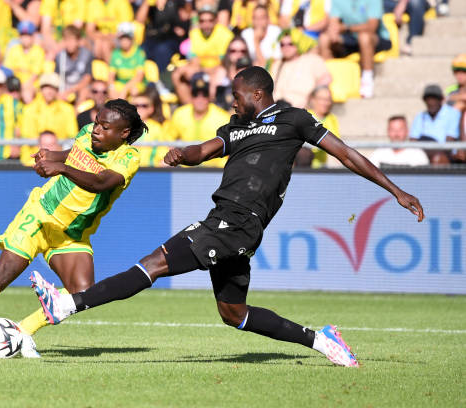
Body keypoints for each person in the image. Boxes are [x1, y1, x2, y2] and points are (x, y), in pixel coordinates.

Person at [30, 66, 425, 367]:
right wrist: (182, 156)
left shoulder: (295, 120)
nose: (232, 102)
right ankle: (321, 339)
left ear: (257, 93)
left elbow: (347, 154)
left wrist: (396, 191)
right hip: (229, 221)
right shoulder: (236, 128)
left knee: (154, 264)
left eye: (236, 96)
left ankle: (67, 305)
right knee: (234, 314)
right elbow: (203, 151)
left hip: (238, 221)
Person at [0, 99, 148, 359]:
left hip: (71, 235)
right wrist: (51, 155)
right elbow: (72, 154)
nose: (96, 130)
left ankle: (22, 332)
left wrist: (62, 168)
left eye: (104, 127)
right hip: (40, 215)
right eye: (96, 123)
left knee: (81, 292)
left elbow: (102, 182)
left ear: (123, 133)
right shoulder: (86, 133)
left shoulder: (128, 157)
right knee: (1, 275)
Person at [318, 0, 392, 98]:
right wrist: (333, 33)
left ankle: (367, 80)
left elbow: (372, 27)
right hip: (351, 38)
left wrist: (346, 28)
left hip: (376, 38)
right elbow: (334, 23)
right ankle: (330, 79)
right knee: (324, 39)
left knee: (364, 37)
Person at [171, 4, 233, 104]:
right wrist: (200, 70)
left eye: (210, 20)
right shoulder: (195, 33)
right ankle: (189, 106)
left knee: (216, 75)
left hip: (220, 70)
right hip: (201, 69)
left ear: (216, 20)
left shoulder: (225, 34)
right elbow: (194, 61)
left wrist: (203, 70)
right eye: (202, 21)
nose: (206, 25)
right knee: (177, 74)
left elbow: (223, 63)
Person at [166, 72, 230, 167]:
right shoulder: (180, 114)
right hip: (185, 168)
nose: (200, 99)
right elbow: (168, 140)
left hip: (215, 169)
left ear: (209, 96)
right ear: (191, 95)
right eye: (195, 94)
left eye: (204, 94)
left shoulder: (223, 117)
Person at [20, 72, 78, 165]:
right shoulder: (29, 109)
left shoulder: (67, 109)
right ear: (41, 89)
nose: (49, 91)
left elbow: (72, 136)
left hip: (59, 160)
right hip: (33, 160)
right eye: (46, 87)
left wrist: (55, 151)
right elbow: (27, 136)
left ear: (57, 90)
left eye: (53, 88)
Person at [270, 28, 331, 109]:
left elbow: (326, 79)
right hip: (277, 109)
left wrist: (310, 99)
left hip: (302, 109)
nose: (286, 47)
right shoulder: (277, 64)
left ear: (298, 43)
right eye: (282, 44)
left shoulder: (312, 59)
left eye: (290, 44)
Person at [410, 84, 461, 165]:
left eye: (434, 99)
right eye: (428, 99)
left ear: (441, 99)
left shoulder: (453, 114)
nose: (431, 102)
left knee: (438, 158)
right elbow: (413, 141)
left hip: (446, 156)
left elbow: (449, 143)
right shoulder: (420, 116)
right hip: (423, 155)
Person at [4, 20, 45, 103]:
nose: (25, 39)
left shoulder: (38, 51)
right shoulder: (14, 50)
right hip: (14, 83)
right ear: (19, 37)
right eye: (23, 35)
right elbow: (8, 70)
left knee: (27, 95)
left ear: (33, 37)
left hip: (31, 84)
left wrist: (23, 86)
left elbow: (35, 74)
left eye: (28, 35)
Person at [54, 25, 93, 103]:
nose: (69, 44)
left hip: (79, 87)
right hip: (65, 87)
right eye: (66, 40)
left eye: (72, 40)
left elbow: (87, 78)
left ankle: (76, 114)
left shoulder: (86, 55)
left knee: (84, 91)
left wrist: (71, 91)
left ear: (78, 41)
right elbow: (57, 77)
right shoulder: (60, 56)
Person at [131, 86, 169, 167]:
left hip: (148, 172)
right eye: (136, 105)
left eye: (144, 105)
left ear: (151, 109)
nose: (139, 108)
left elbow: (162, 156)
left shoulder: (157, 128)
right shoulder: (124, 126)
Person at [108, 22, 147, 100]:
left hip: (135, 84)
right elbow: (111, 74)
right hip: (121, 83)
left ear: (132, 39)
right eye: (122, 38)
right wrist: (111, 87)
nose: (124, 41)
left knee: (134, 91)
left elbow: (139, 76)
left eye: (127, 38)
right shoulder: (115, 54)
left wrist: (126, 89)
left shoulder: (139, 53)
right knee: (113, 93)